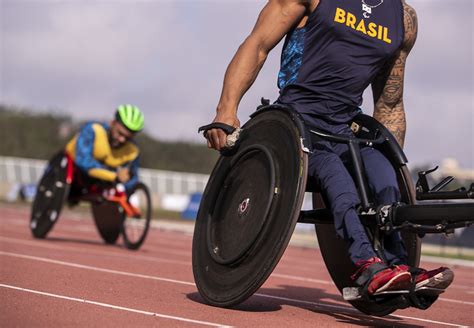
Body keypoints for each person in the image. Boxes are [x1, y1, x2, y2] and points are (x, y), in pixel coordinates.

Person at [203, 0, 453, 301]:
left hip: (346, 129)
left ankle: (400, 269)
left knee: (385, 179)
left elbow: (389, 103)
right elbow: (257, 44)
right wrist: (226, 110)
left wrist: (394, 174)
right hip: (295, 124)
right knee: (338, 178)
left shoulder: (402, 18)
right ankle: (368, 267)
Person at [65, 104, 144, 194]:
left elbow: (133, 178)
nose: (122, 140)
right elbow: (83, 161)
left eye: (128, 138)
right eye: (120, 133)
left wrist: (125, 183)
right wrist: (113, 176)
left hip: (100, 182)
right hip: (73, 171)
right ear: (112, 123)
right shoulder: (93, 130)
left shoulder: (133, 150)